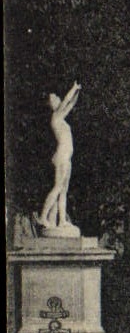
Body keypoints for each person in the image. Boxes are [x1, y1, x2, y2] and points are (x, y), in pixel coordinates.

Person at [37, 81, 80, 231]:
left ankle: (61, 220)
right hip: (62, 156)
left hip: (66, 157)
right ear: (52, 104)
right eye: (55, 98)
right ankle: (43, 216)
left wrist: (78, 91)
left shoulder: (61, 117)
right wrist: (73, 88)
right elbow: (67, 101)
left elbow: (71, 103)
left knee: (63, 190)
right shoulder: (56, 116)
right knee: (58, 187)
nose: (58, 98)